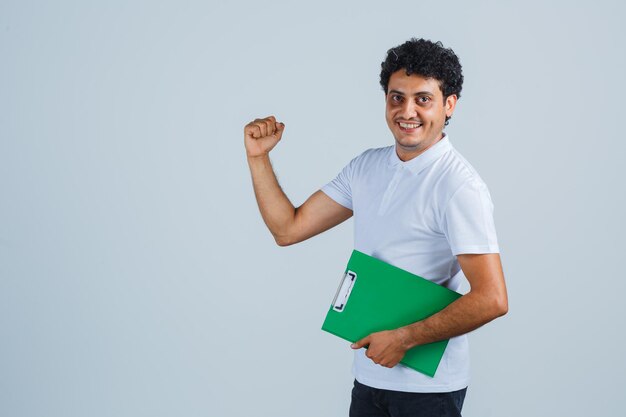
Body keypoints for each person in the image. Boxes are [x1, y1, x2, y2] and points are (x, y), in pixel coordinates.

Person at [243, 38, 508, 417]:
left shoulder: (459, 186)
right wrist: (258, 158)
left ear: (449, 105)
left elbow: (493, 298)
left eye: (423, 99)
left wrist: (405, 338)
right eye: (396, 97)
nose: (407, 111)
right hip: (370, 377)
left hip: (427, 391)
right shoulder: (366, 167)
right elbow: (288, 229)